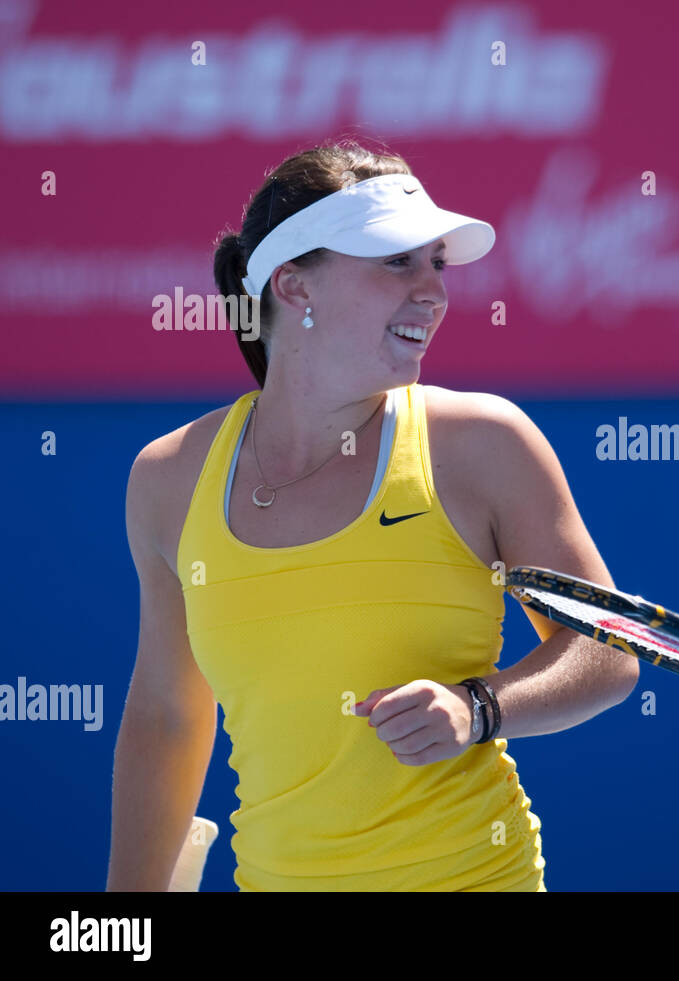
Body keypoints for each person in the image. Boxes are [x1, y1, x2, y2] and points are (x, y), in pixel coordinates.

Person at [107, 140, 637, 891]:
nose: (434, 293)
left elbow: (607, 653)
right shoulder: (168, 479)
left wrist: (479, 706)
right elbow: (167, 714)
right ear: (294, 286)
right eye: (396, 262)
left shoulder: (485, 444)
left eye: (437, 265)